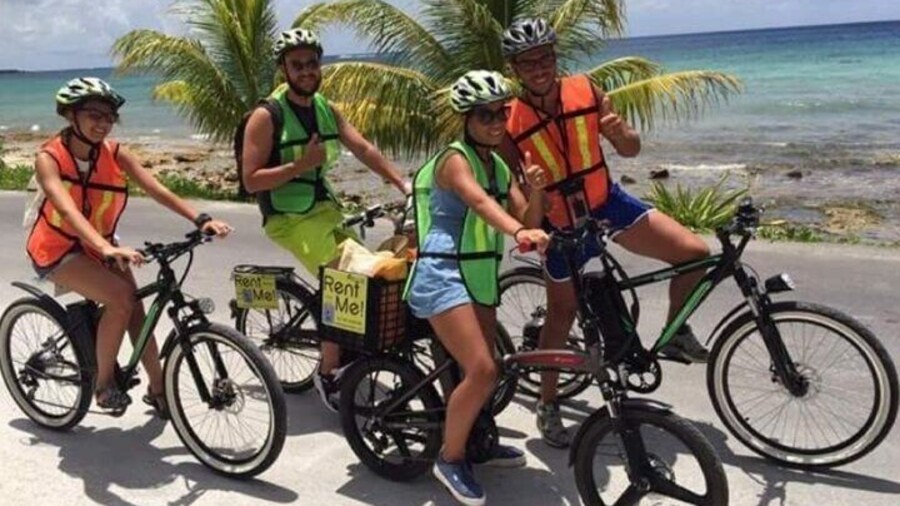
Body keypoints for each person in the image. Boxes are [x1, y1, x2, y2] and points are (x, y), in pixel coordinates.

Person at [500, 18, 713, 448]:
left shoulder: (587, 90)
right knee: (561, 313)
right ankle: (547, 402)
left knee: (694, 253)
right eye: (528, 61)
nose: (539, 67)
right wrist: (535, 195)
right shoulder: (509, 121)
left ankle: (676, 333)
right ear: (516, 69)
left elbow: (631, 148)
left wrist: (620, 132)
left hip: (606, 202)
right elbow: (518, 202)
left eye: (545, 57)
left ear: (555, 57)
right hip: (560, 222)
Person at [26, 77, 232, 417]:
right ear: (70, 115)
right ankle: (104, 385)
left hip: (102, 245)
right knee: (121, 300)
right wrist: (104, 248)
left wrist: (201, 219)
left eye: (109, 117)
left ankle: (158, 387)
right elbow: (66, 209)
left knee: (139, 313)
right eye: (94, 114)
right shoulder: (49, 158)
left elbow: (158, 190)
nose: (103, 123)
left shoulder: (115, 154)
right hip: (57, 249)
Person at [241, 28, 410, 412]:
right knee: (345, 281)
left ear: (320, 66)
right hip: (288, 217)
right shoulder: (266, 116)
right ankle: (329, 373)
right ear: (283, 69)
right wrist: (302, 165)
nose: (306, 71)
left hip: (324, 209)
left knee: (374, 274)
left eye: (311, 63)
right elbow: (251, 180)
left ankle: (348, 347)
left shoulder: (325, 108)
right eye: (296, 65)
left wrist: (403, 184)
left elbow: (362, 146)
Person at [405, 70, 550, 506]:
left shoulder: (499, 163)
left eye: (502, 112)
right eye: (485, 114)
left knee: (487, 368)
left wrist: (536, 191)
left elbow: (528, 220)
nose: (495, 121)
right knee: (483, 369)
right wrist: (520, 234)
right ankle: (450, 459)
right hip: (442, 272)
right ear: (466, 118)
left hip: (478, 274)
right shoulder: (455, 160)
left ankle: (477, 442)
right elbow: (481, 204)